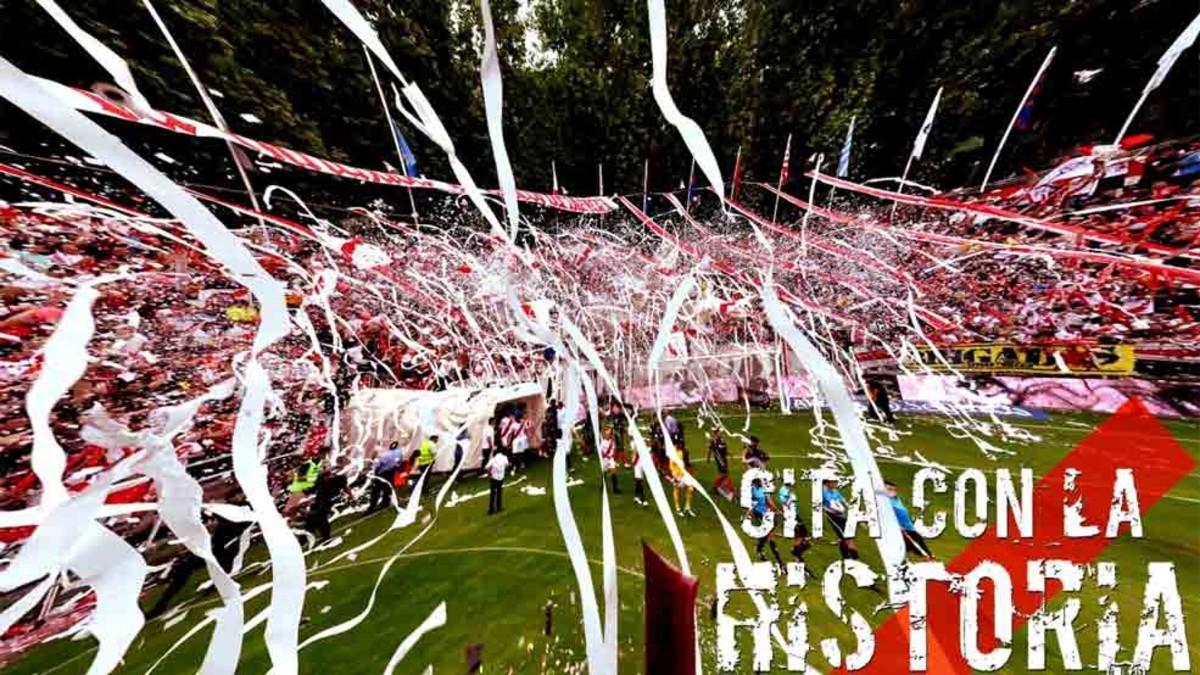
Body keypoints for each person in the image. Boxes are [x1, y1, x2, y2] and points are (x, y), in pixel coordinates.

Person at [305, 459, 352, 542]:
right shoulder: (320, 479)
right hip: (321, 499)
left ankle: (325, 536)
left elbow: (345, 487)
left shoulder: (337, 478)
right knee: (310, 516)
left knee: (320, 516)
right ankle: (308, 536)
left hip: (332, 499)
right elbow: (312, 489)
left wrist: (351, 497)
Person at [886, 480, 935, 560]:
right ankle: (926, 557)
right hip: (903, 529)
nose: (893, 492)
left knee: (917, 542)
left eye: (894, 489)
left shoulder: (896, 499)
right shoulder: (886, 502)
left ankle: (927, 556)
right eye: (889, 489)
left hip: (909, 526)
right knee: (913, 544)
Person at [748, 477, 784, 566]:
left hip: (763, 514)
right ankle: (779, 561)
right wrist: (776, 510)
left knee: (767, 533)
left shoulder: (754, 491)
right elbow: (769, 502)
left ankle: (760, 548)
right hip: (762, 514)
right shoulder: (760, 491)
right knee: (769, 535)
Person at [822, 478, 859, 560]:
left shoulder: (835, 491)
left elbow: (843, 501)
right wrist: (828, 510)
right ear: (828, 482)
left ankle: (846, 557)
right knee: (847, 539)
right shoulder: (822, 492)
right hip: (834, 517)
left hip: (842, 516)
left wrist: (849, 506)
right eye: (834, 482)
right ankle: (854, 558)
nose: (836, 484)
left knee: (846, 538)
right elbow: (820, 504)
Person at [368, 441, 404, 512]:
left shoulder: (385, 455)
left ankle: (372, 506)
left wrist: (375, 473)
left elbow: (377, 465)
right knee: (388, 488)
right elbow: (399, 463)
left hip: (381, 473)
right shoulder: (399, 453)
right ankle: (385, 502)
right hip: (390, 472)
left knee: (376, 489)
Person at [707, 434, 734, 501]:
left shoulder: (718, 443)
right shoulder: (715, 443)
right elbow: (711, 450)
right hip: (720, 461)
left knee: (723, 473)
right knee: (723, 474)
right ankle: (715, 487)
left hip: (723, 460)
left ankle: (716, 487)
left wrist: (729, 454)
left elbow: (724, 452)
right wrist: (708, 458)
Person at [668, 451, 695, 517]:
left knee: (691, 489)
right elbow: (671, 466)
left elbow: (684, 463)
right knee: (677, 490)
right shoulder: (672, 452)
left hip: (684, 474)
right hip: (677, 475)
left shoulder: (682, 451)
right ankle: (678, 508)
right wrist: (674, 476)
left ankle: (687, 507)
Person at [485, 449, 510, 515]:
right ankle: (499, 507)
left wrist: (489, 473)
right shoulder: (504, 458)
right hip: (501, 477)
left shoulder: (493, 460)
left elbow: (486, 467)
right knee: (499, 492)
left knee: (492, 494)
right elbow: (507, 465)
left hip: (493, 478)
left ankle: (491, 509)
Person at [600, 428, 620, 493]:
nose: (607, 435)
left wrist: (612, 456)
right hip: (605, 460)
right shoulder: (603, 442)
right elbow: (601, 452)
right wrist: (606, 456)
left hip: (611, 459)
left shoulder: (612, 442)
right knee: (604, 473)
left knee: (614, 472)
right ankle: (602, 487)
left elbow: (614, 450)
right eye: (606, 434)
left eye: (608, 434)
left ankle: (615, 488)